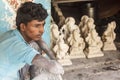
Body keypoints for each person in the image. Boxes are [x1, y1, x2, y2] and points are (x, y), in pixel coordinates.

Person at [0, 2, 64, 80]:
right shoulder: (18, 46)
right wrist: (54, 64)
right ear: (23, 27)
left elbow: (42, 43)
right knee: (50, 75)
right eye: (37, 26)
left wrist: (52, 57)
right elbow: (51, 66)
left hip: (12, 74)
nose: (42, 30)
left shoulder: (13, 35)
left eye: (42, 25)